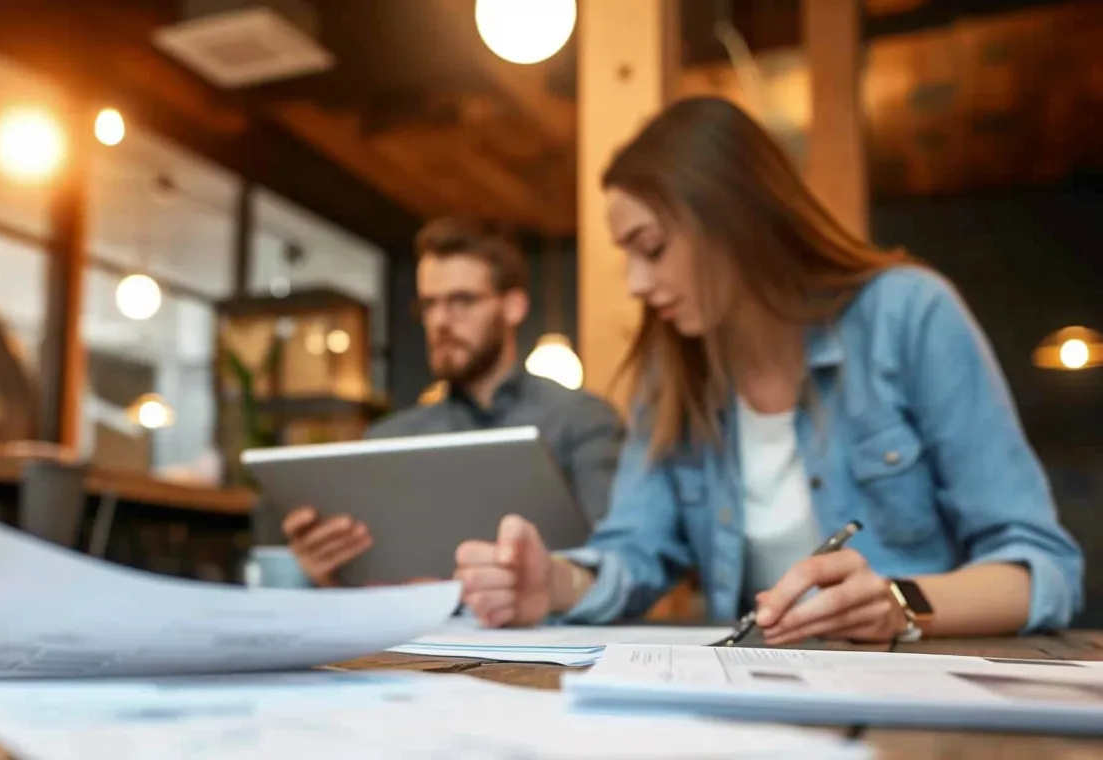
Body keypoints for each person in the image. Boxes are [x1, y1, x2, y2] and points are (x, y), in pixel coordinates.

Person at [454, 96, 1082, 643]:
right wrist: (554, 583)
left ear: (737, 216)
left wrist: (898, 602)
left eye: (652, 248)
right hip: (756, 691)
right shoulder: (673, 368)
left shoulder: (909, 313)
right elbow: (634, 550)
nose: (637, 284)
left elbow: (1041, 566)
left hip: (910, 697)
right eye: (628, 257)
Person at [279, 217, 624, 587]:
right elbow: (370, 584)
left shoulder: (583, 420)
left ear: (513, 306)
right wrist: (331, 572)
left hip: (547, 637)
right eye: (429, 305)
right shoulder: (388, 440)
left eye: (462, 300)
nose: (440, 321)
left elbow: (615, 568)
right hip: (408, 638)